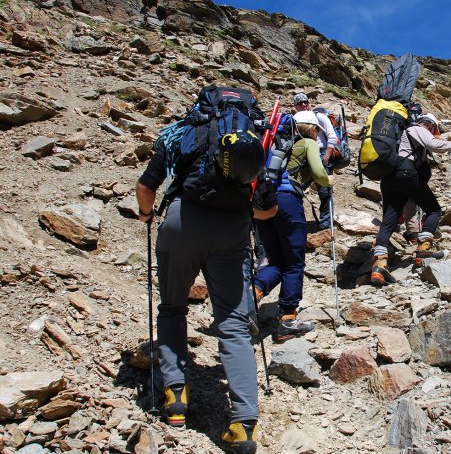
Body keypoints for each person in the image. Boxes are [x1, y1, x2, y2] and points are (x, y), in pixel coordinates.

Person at [136, 113, 276, 453]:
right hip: (232, 232)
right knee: (233, 325)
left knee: (172, 307)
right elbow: (267, 210)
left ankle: (175, 396)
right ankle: (243, 425)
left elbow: (146, 186)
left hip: (183, 221)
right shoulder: (258, 141)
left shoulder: (185, 133)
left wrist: (146, 214)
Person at [253, 110, 334, 342]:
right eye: (317, 129)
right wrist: (329, 180)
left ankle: (252, 293)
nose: (317, 133)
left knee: (276, 260)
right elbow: (319, 173)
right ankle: (288, 318)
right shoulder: (307, 142)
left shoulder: (271, 143)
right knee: (295, 261)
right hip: (288, 201)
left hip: (262, 203)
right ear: (311, 128)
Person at [371, 113, 451, 285]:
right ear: (430, 125)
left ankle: (379, 264)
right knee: (434, 210)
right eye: (434, 129)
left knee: (388, 222)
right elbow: (433, 144)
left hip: (390, 179)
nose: (433, 132)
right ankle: (423, 248)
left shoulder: (403, 136)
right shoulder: (417, 128)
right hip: (405, 173)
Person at [293, 92, 339, 230]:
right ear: (295, 106)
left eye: (305, 102)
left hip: (321, 153)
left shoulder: (319, 117)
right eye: (300, 103)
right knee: (296, 188)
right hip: (304, 155)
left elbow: (332, 136)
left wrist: (327, 155)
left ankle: (326, 224)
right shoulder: (295, 119)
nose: (303, 105)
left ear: (309, 103)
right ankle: (296, 219)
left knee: (325, 191)